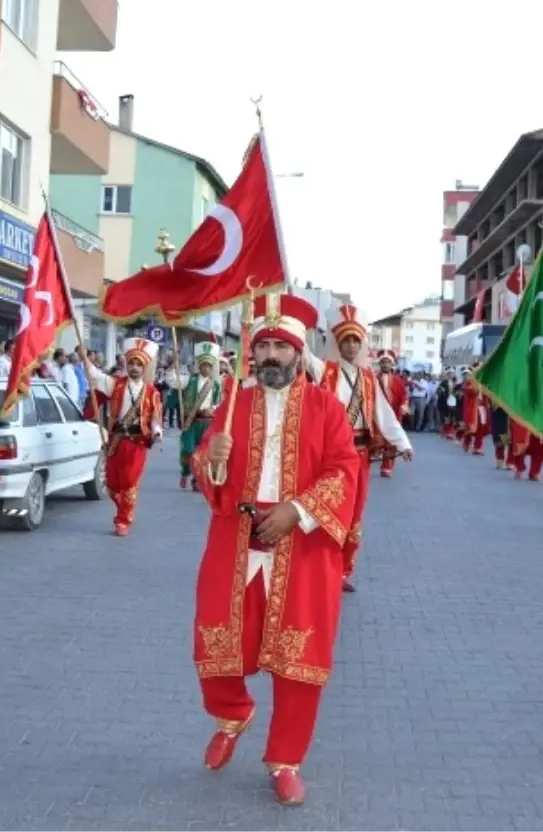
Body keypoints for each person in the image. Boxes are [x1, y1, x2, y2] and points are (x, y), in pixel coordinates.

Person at [189, 292, 360, 806]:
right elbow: (209, 469)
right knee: (215, 646)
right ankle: (232, 715)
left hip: (301, 545)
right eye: (261, 346)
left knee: (297, 661)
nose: (269, 356)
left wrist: (298, 512)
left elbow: (345, 470)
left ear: (297, 352)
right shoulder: (234, 402)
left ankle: (285, 759)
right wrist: (210, 460)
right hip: (235, 542)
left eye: (279, 347)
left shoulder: (327, 408)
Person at [303, 304, 412, 593]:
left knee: (353, 512)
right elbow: (301, 353)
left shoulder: (367, 378)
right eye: (346, 340)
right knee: (325, 507)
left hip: (359, 456)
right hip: (329, 455)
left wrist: (403, 443)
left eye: (355, 340)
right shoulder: (325, 370)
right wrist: (295, 319)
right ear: (338, 344)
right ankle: (319, 566)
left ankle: (341, 570)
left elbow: (383, 414)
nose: (351, 345)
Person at [81, 339, 163, 536]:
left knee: (129, 481)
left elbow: (155, 417)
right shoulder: (115, 385)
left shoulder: (152, 392)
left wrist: (157, 432)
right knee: (112, 484)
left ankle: (123, 520)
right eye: (132, 364)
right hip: (116, 441)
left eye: (138, 365)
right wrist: (85, 358)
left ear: (144, 368)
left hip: (137, 443)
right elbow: (95, 376)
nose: (134, 368)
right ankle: (122, 507)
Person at [178, 343, 224, 491]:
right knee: (188, 451)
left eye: (209, 366)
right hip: (191, 421)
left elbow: (219, 403)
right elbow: (173, 380)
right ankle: (185, 472)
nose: (206, 369)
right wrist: (175, 363)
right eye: (203, 365)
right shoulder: (189, 380)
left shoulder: (215, 385)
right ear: (199, 366)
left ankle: (197, 480)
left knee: (203, 453)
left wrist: (212, 409)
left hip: (207, 422)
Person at [374, 350, 409, 477]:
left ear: (391, 364)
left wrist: (404, 405)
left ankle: (387, 466)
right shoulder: (373, 379)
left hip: (393, 414)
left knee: (391, 440)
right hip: (377, 413)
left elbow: (404, 396)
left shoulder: (397, 380)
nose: (385, 365)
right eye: (383, 362)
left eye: (387, 362)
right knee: (377, 440)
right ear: (380, 364)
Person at [460, 367, 490, 455]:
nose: (467, 376)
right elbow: (472, 391)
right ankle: (466, 442)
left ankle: (477, 447)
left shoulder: (482, 383)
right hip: (472, 410)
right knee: (470, 429)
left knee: (480, 429)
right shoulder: (467, 384)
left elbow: (486, 395)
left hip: (481, 409)